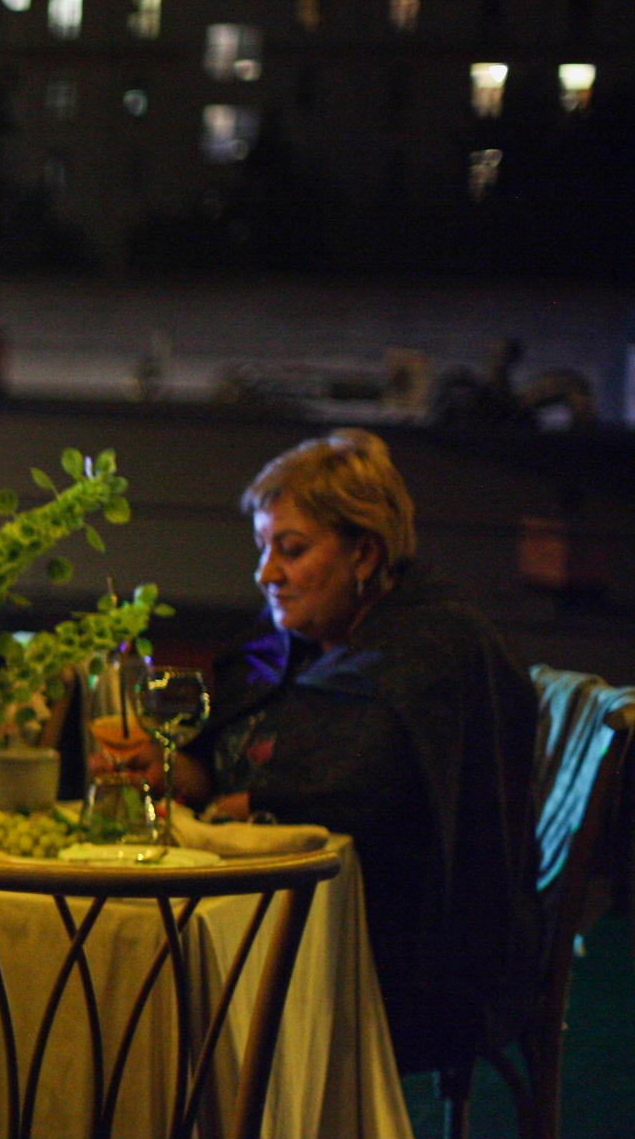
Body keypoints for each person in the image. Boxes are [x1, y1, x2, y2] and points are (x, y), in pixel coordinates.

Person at [162, 429, 538, 1074]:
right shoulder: (309, 633)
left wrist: (252, 800)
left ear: (364, 554)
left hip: (405, 967)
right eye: (262, 549)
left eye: (292, 549)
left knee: (170, 996)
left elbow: (372, 790)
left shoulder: (437, 646)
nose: (266, 574)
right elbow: (240, 748)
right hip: (295, 928)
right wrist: (174, 768)